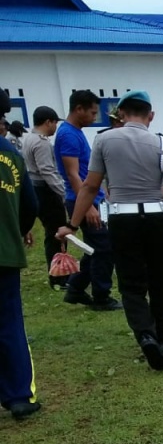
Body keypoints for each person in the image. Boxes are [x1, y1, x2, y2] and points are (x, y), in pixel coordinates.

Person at [57, 91, 163, 371]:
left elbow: (90, 186)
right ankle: (162, 338)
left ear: (121, 114)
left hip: (122, 220)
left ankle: (145, 334)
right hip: (158, 219)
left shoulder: (103, 140)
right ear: (150, 115)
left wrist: (72, 224)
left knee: (131, 284)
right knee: (160, 281)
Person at [54, 89, 120, 311]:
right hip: (81, 200)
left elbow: (85, 171)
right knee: (104, 248)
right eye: (92, 112)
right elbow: (73, 174)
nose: (94, 117)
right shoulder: (68, 135)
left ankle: (75, 288)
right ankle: (101, 296)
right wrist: (89, 206)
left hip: (89, 198)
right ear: (78, 108)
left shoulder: (75, 132)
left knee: (95, 247)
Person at [1, 86, 41, 420]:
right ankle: (18, 397)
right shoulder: (11, 155)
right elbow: (30, 205)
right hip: (5, 252)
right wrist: (18, 228)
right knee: (9, 322)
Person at [20, 106, 68, 288]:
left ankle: (57, 274)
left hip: (36, 188)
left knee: (51, 233)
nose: (55, 126)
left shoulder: (28, 139)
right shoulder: (41, 143)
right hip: (46, 191)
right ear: (48, 122)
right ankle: (59, 276)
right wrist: (62, 192)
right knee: (57, 233)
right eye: (55, 122)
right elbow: (47, 171)